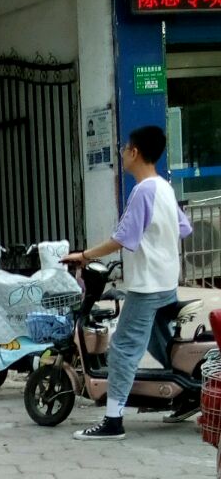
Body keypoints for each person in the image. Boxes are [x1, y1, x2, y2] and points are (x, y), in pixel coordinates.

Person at [66, 124, 192, 441]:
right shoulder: (164, 187)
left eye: (124, 148)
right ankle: (188, 395)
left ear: (134, 152)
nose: (122, 153)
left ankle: (112, 420)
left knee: (122, 348)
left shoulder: (143, 190)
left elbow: (122, 238)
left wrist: (84, 255)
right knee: (158, 340)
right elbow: (184, 227)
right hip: (166, 280)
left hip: (147, 285)